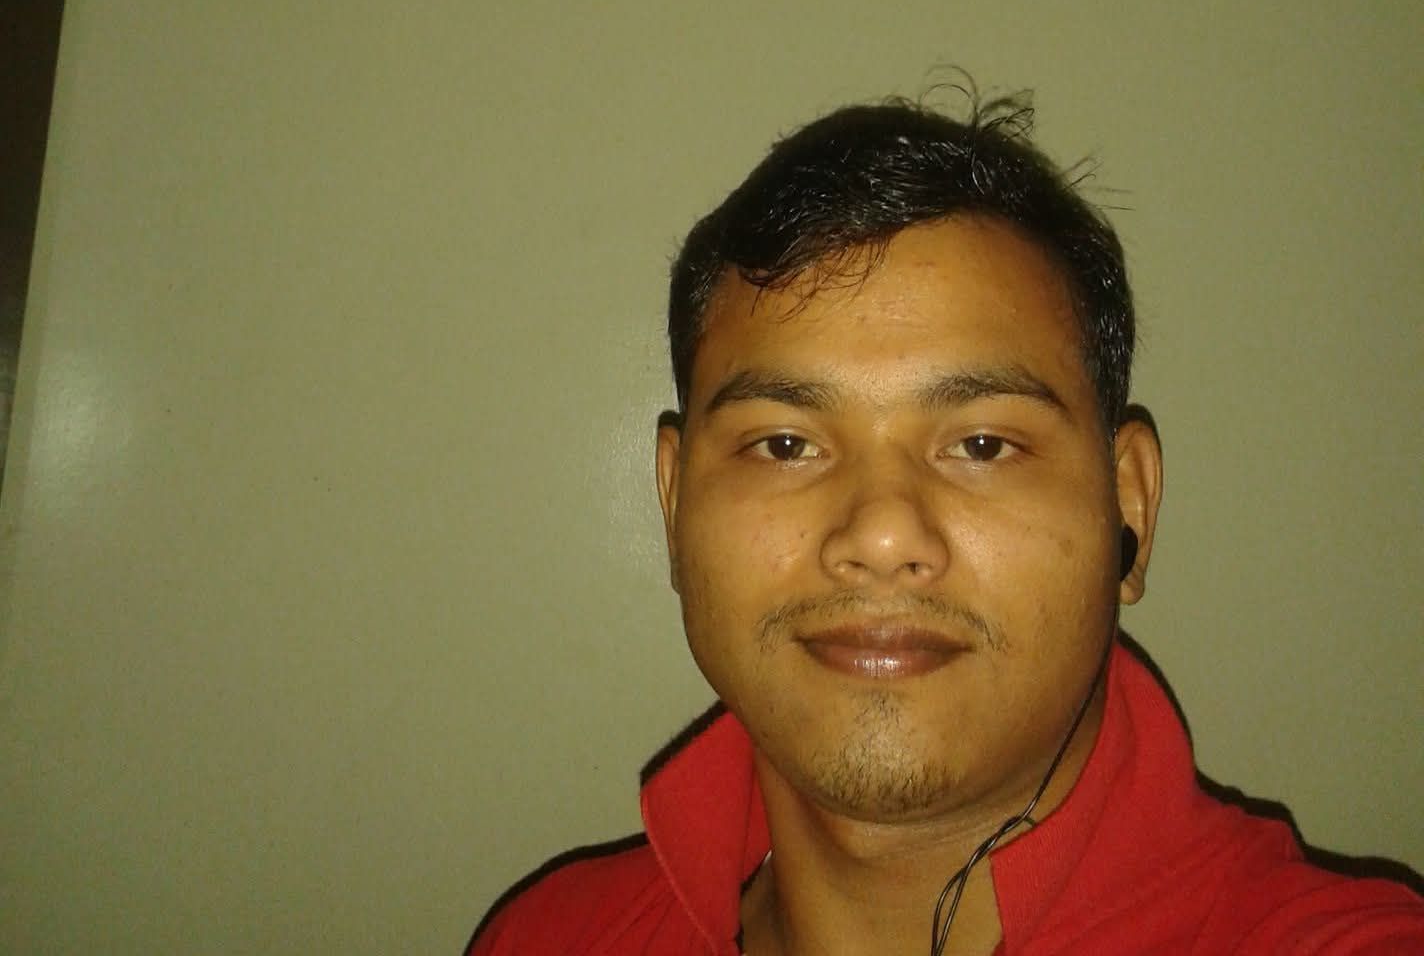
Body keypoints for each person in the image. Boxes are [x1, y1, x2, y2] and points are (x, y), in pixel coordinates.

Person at [467, 92, 1424, 955]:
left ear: (1129, 504)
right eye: (786, 444)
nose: (882, 536)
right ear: (675, 507)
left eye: (982, 444)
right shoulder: (545, 939)